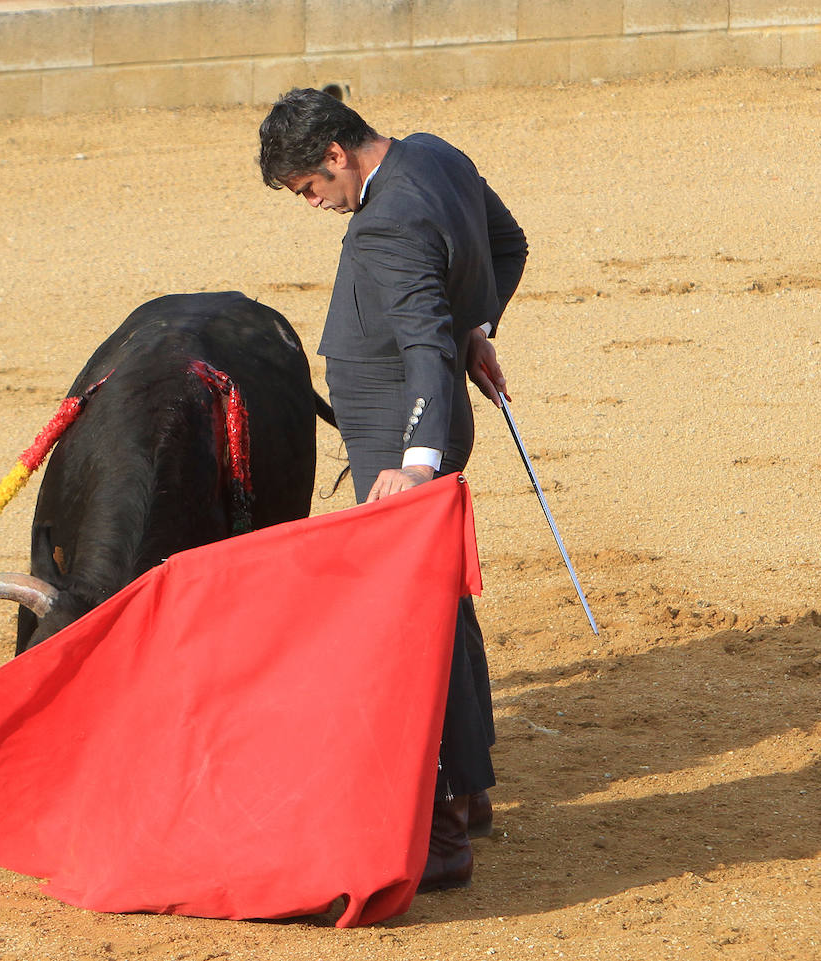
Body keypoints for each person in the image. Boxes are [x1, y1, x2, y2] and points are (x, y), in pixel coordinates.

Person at [258, 88, 527, 891]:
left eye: (311, 187)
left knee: (410, 615)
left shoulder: (383, 224)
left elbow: (415, 342)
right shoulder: (436, 152)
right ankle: (471, 786)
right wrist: (475, 326)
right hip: (424, 403)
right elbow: (508, 245)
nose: (315, 204)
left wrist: (415, 454)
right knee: (444, 597)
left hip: (399, 421)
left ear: (337, 155)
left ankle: (441, 827)